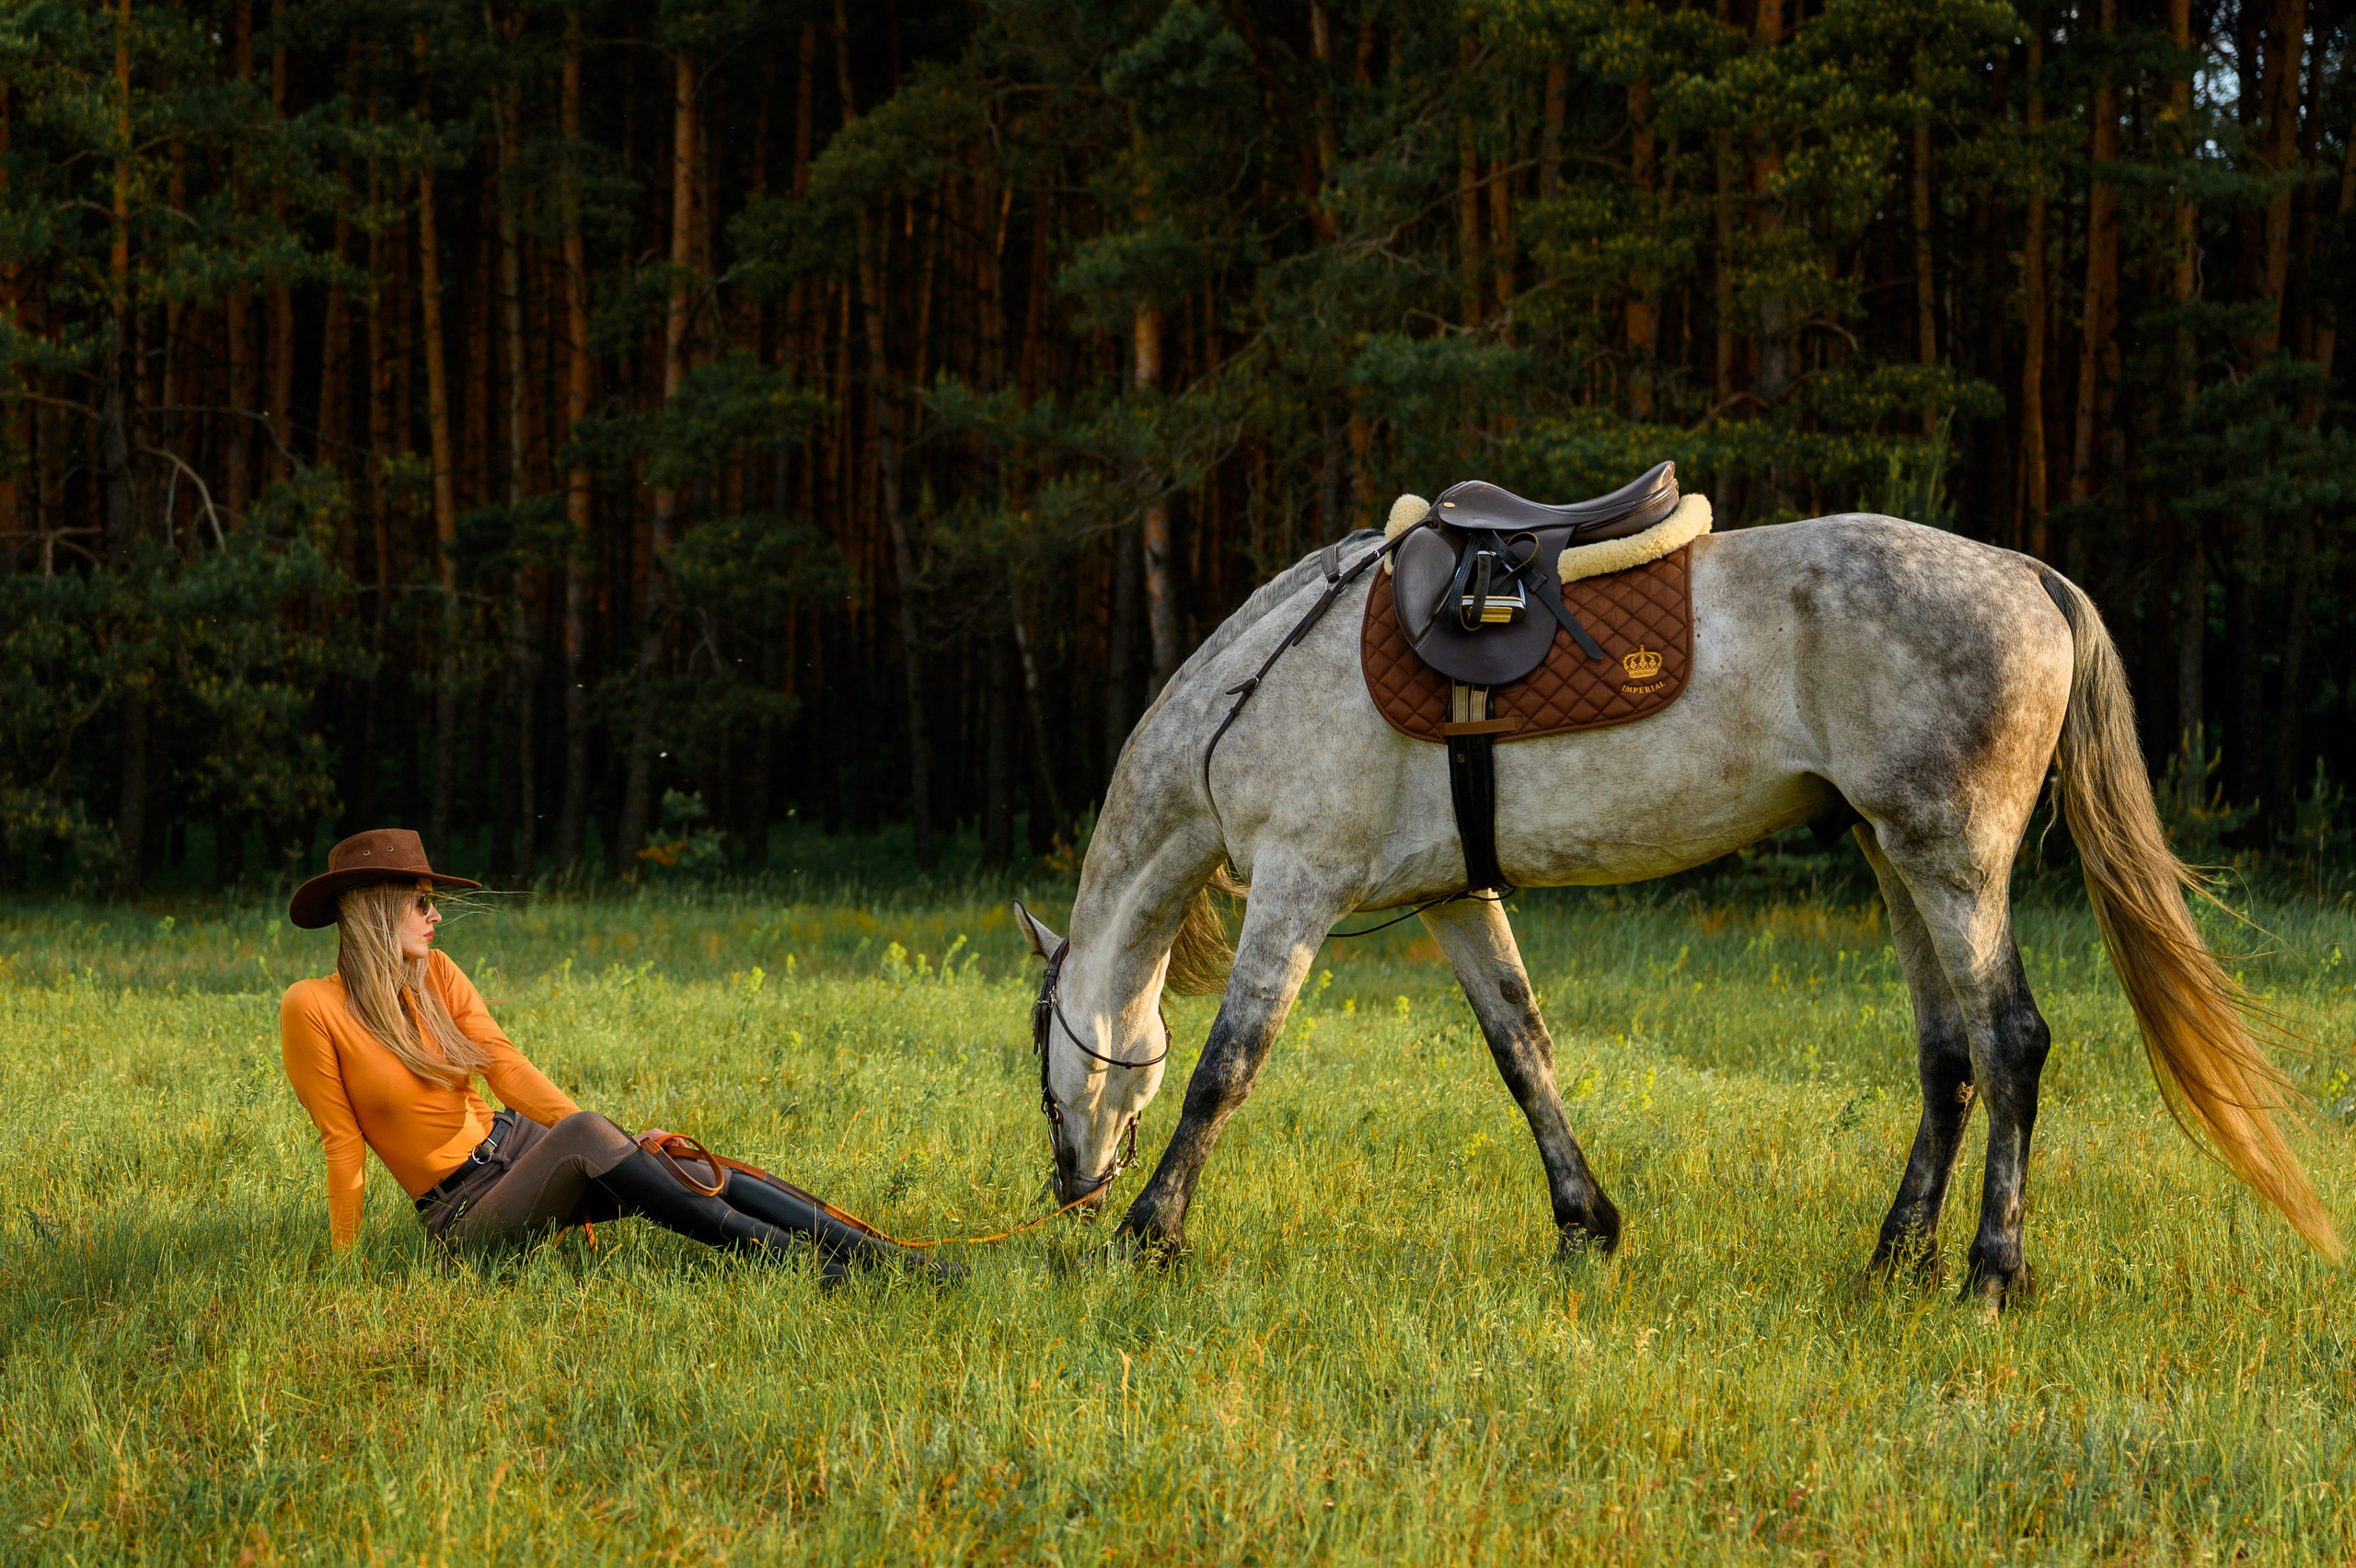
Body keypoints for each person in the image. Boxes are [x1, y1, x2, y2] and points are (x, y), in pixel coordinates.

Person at [277, 828, 953, 1282]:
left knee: (672, 1158)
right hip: (466, 1214)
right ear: (376, 909)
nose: (437, 915)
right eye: (422, 902)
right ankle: (811, 1271)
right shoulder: (312, 1007)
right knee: (591, 1134)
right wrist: (343, 1271)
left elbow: (507, 1071)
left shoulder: (439, 976)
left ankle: (885, 1258)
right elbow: (343, 1147)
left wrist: (616, 1144)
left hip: (518, 1148)